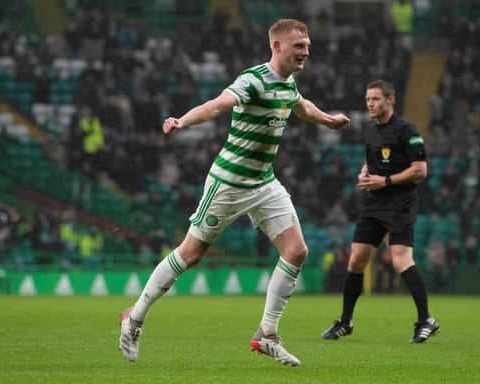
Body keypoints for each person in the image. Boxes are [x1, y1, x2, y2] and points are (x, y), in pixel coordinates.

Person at [118, 19, 350, 366]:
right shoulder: (252, 80)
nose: (306, 52)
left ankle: (267, 334)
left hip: (263, 183)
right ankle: (133, 319)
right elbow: (216, 105)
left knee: (297, 250)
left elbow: (302, 107)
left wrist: (329, 119)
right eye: (298, 46)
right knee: (191, 254)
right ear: (277, 46)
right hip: (228, 183)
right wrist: (182, 121)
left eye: (307, 45)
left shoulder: (288, 84)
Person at [321, 80, 439, 344]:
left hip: (401, 203)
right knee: (356, 260)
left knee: (400, 261)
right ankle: (345, 321)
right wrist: (364, 171)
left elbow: (420, 170)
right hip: (374, 204)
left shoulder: (407, 131)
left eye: (375, 99)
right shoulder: (372, 132)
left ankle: (426, 320)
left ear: (390, 100)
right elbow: (373, 160)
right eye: (367, 100)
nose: (370, 104)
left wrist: (385, 181)